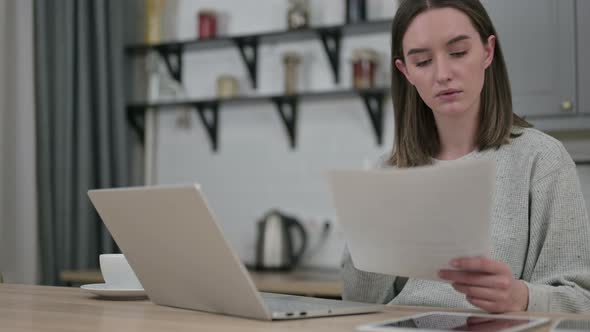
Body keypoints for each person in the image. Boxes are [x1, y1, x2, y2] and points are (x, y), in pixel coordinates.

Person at [341, 0, 590, 313]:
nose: (443, 74)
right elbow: (358, 306)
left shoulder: (542, 161)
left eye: (458, 53)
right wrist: (364, 241)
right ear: (405, 71)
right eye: (422, 62)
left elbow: (583, 305)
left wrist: (520, 297)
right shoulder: (388, 172)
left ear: (487, 52)